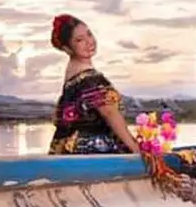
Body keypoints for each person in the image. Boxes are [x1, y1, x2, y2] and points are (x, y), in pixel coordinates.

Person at [47, 13, 141, 155]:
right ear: (67, 48)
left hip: (69, 149)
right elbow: (109, 113)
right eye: (79, 40)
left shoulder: (73, 72)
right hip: (91, 150)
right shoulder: (89, 78)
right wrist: (136, 149)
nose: (89, 42)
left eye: (89, 34)